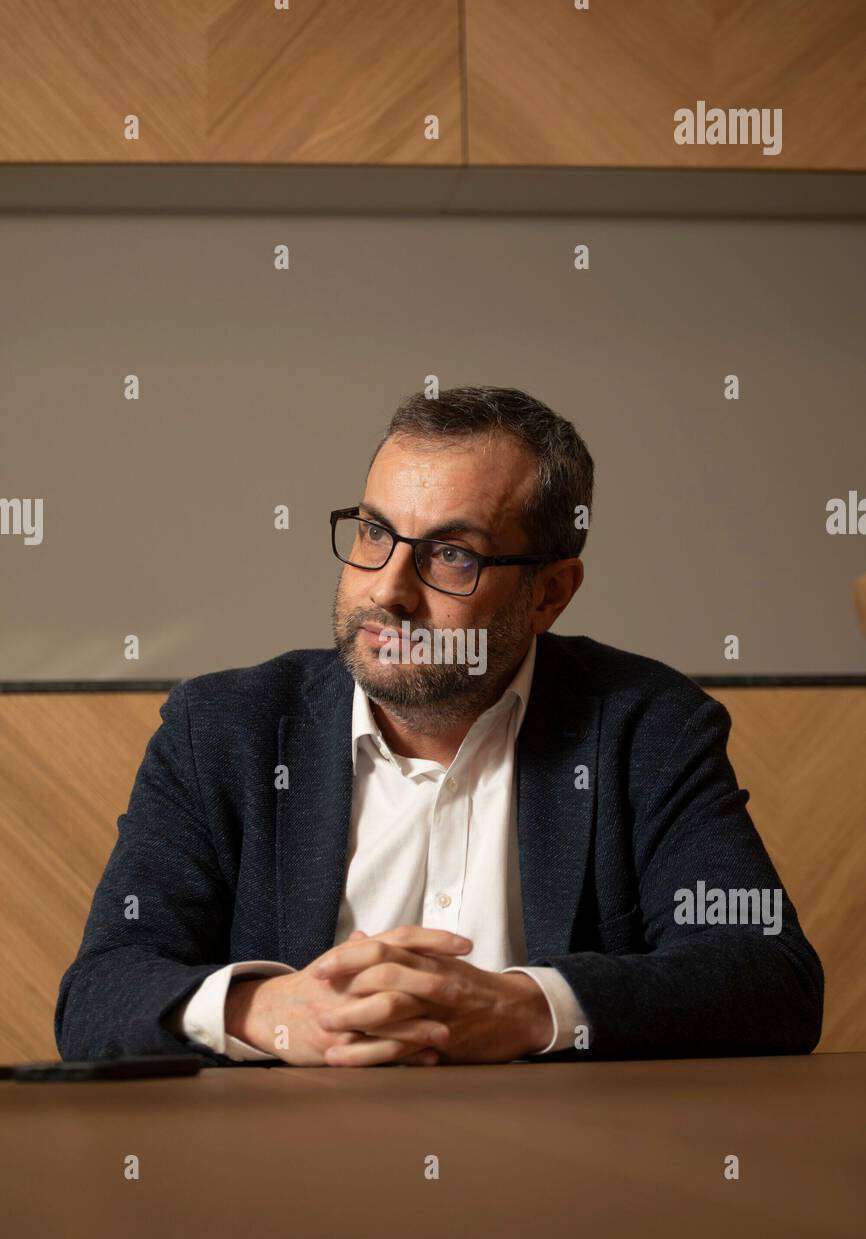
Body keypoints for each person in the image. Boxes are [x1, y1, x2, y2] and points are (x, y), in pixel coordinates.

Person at [55, 386, 824, 1067]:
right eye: (374, 533)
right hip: (282, 1180)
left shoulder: (646, 727)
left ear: (551, 593)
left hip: (571, 1182)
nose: (386, 591)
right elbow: (100, 991)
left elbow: (768, 975)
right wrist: (274, 1013)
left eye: (452, 555)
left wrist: (524, 1008)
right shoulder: (223, 731)